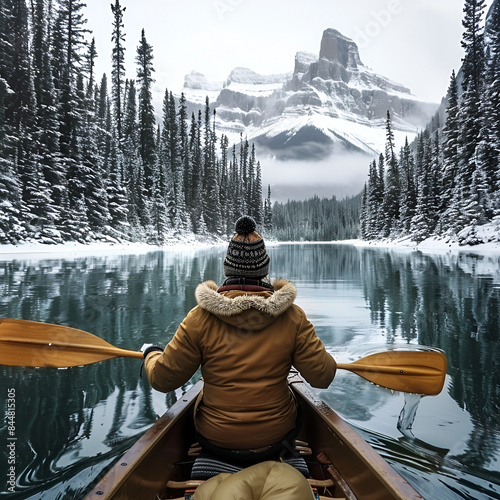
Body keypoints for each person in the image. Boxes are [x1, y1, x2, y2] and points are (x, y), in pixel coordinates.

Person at [142, 215, 336, 470]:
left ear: (227, 269)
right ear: (264, 269)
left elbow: (162, 380)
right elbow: (322, 376)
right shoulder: (293, 318)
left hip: (215, 439)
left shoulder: (199, 318)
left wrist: (152, 354)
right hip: (277, 438)